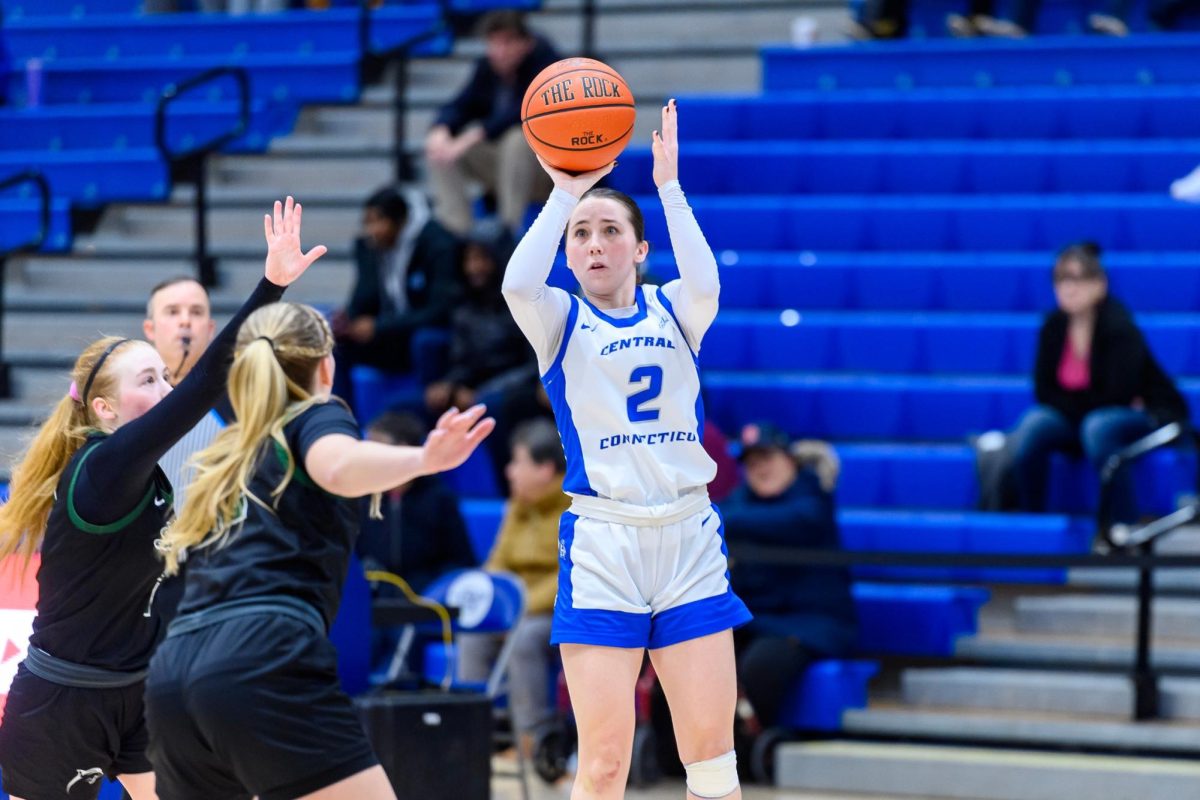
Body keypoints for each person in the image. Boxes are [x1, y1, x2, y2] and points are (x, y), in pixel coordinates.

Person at [0, 196, 323, 800]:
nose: (167, 390)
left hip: (135, 688)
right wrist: (270, 286)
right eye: (149, 381)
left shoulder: (150, 471)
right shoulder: (102, 466)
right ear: (104, 409)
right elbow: (205, 384)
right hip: (62, 701)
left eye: (165, 378)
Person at [502, 99, 752, 800]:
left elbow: (708, 280)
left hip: (687, 538)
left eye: (611, 230)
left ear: (639, 250)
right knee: (604, 765)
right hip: (605, 543)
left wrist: (669, 189)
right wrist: (563, 193)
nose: (593, 244)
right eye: (581, 234)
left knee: (710, 758)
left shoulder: (677, 306)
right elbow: (517, 282)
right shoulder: (558, 318)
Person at [145, 306, 495, 800]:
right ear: (326, 365)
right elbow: (336, 466)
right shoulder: (313, 413)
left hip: (175, 669)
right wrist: (424, 459)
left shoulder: (227, 451)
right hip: (261, 653)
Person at [1003, 242, 1189, 525]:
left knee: (1098, 426)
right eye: (1061, 279)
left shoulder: (1119, 324)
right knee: (1033, 426)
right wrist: (1076, 406)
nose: (1068, 288)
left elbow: (1118, 394)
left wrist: (1071, 404)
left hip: (1140, 415)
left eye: (1077, 279)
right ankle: (1032, 522)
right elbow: (1043, 391)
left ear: (1099, 284)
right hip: (1080, 417)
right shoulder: (1052, 326)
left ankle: (1122, 525)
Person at [722, 424, 857, 731]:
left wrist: (716, 517)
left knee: (762, 664)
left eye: (767, 457)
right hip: (757, 620)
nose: (759, 468)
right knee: (692, 652)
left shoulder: (813, 497)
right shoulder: (741, 501)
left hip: (813, 623)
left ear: (790, 459)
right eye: (751, 462)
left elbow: (796, 521)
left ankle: (752, 742)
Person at [456, 418, 571, 751]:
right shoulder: (517, 504)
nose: (509, 472)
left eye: (518, 462)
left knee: (524, 639)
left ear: (546, 469)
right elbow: (497, 563)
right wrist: (496, 608)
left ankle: (533, 743)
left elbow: (570, 573)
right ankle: (474, 739)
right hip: (517, 610)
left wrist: (518, 610)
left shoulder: (576, 505)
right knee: (473, 635)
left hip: (555, 611)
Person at [354, 411, 476, 672]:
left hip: (423, 598)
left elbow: (463, 562)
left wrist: (423, 589)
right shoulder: (363, 497)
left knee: (405, 632)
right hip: (376, 598)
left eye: (378, 448)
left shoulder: (439, 499)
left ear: (403, 451)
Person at [425, 10, 559, 236]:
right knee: (439, 149)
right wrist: (441, 129)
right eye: (494, 44)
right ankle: (457, 231)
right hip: (503, 170)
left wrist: (472, 136)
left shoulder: (548, 66)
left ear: (526, 43)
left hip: (547, 173)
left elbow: (524, 112)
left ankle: (508, 230)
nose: (500, 52)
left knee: (518, 137)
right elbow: (461, 104)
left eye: (507, 43)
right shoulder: (487, 68)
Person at [332, 186, 462, 400]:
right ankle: (342, 421)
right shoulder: (372, 246)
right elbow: (364, 297)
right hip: (392, 332)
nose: (371, 230)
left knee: (424, 341)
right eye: (367, 223)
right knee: (336, 345)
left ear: (400, 220)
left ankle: (422, 415)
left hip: (428, 331)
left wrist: (379, 326)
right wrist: (348, 320)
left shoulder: (438, 243)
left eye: (378, 221)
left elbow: (440, 310)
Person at [143, 276, 226, 510]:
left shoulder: (239, 394)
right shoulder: (129, 396)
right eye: (172, 312)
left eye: (197, 312)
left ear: (211, 329)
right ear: (150, 328)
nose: (185, 321)